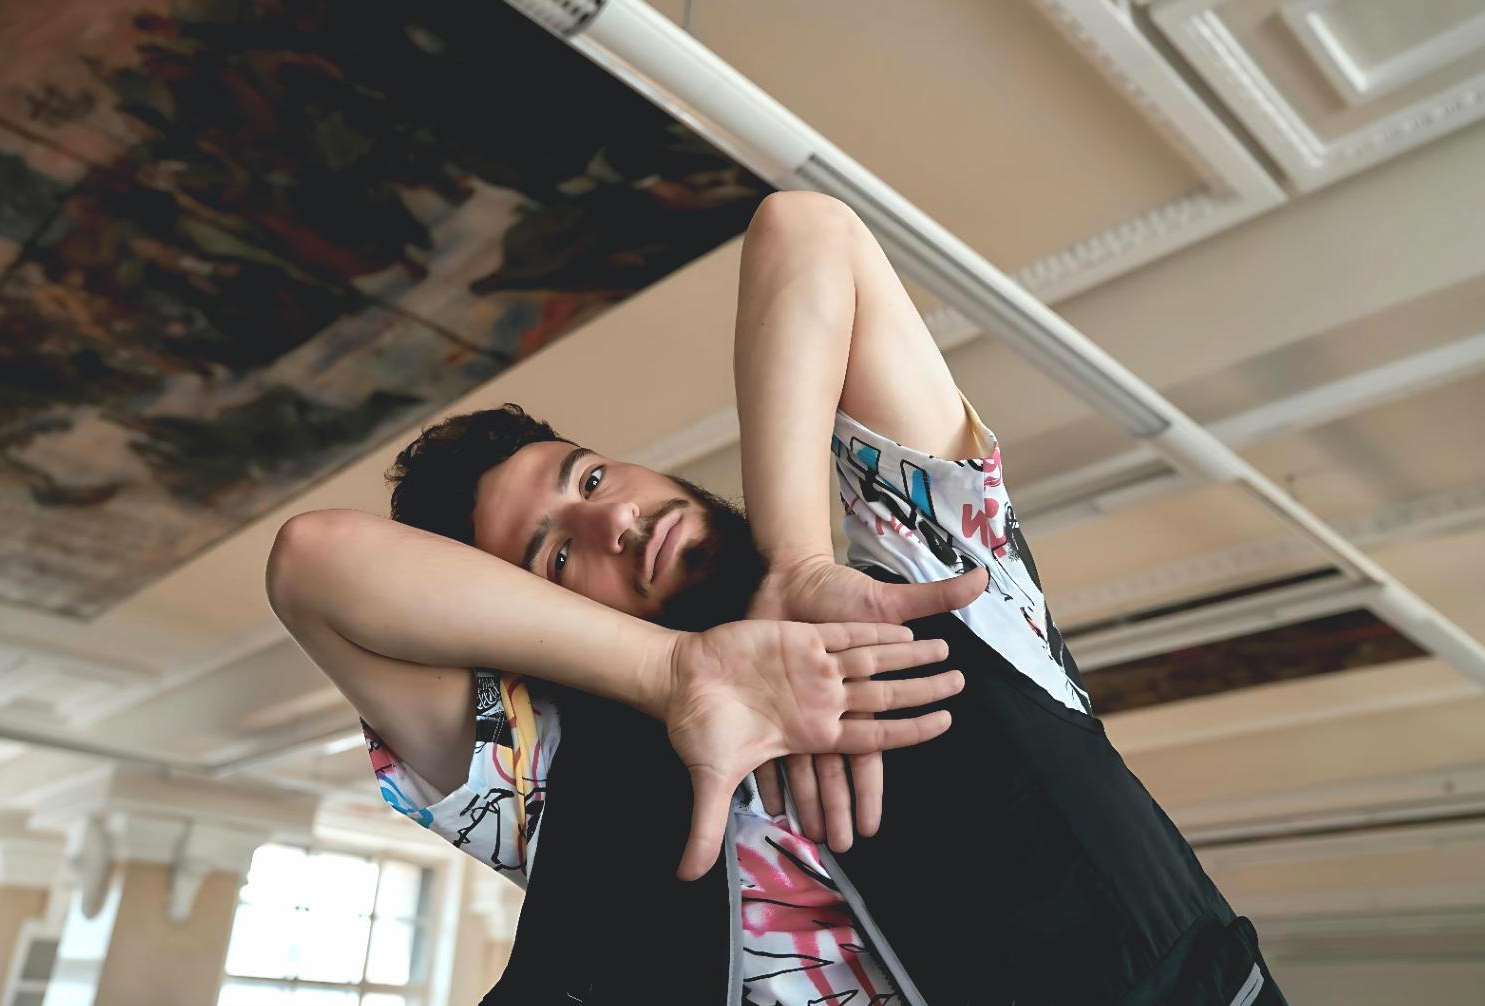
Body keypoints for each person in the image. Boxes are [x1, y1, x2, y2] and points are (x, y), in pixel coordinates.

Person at [269, 191, 1284, 1005]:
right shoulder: (542, 791)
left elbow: (809, 229)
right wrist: (678, 673)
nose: (609, 522)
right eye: (554, 558)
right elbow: (312, 562)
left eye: (588, 479)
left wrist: (799, 566)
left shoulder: (940, 584)